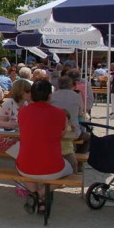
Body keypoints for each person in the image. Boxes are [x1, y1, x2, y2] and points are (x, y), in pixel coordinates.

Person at [16, 80, 73, 213]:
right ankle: (40, 194)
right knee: (70, 170)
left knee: (28, 171)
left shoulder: (22, 112)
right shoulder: (59, 113)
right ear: (49, 95)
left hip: (25, 165)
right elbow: (61, 134)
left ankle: (36, 196)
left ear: (32, 95)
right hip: (53, 167)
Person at [49, 76, 87, 169]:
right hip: (72, 131)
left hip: (55, 131)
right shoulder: (77, 96)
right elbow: (80, 113)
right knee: (87, 137)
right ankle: (79, 161)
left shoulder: (53, 96)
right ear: (71, 85)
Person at [0, 79, 31, 153]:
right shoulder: (8, 103)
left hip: (21, 138)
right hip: (9, 139)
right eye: (28, 91)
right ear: (20, 92)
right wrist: (13, 124)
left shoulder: (27, 104)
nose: (31, 93)